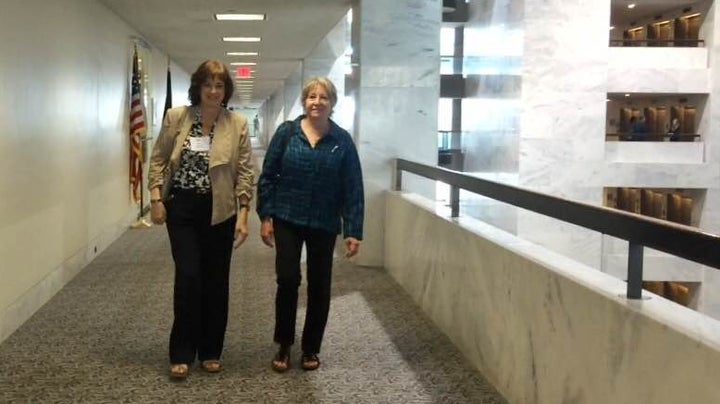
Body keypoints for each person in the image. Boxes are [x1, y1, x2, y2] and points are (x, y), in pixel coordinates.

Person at [148, 59, 255, 379]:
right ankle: (181, 352)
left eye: (219, 85)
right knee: (189, 276)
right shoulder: (177, 117)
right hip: (181, 208)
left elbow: (246, 172)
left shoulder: (236, 124)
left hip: (220, 210)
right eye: (208, 84)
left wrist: (244, 215)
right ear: (198, 87)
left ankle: (210, 350)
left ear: (226, 90)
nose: (213, 90)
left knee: (216, 281)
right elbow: (158, 160)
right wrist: (155, 199)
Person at [257, 77, 364, 372]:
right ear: (304, 102)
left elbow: (352, 186)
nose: (317, 102)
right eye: (312, 97)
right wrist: (266, 216)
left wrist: (353, 229)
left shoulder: (341, 140)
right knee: (288, 279)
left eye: (323, 97)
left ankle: (310, 349)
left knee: (320, 285)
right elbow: (267, 176)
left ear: (332, 104)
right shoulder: (287, 133)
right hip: (287, 217)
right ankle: (284, 344)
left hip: (324, 222)